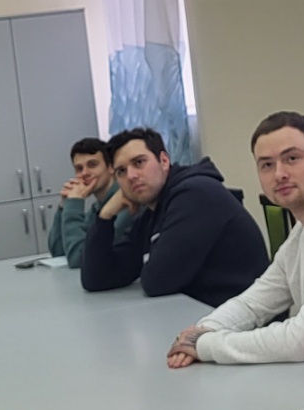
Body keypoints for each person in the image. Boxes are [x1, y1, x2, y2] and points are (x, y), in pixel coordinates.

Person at [167, 112, 304, 367]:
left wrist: (205, 345)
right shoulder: (302, 231)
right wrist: (203, 330)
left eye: (292, 158)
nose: (279, 174)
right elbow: (254, 303)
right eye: (267, 165)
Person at [80, 126, 269, 307]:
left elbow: (157, 281)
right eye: (121, 171)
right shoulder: (153, 209)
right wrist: (105, 216)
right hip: (202, 312)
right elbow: (97, 278)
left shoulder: (195, 194)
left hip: (242, 320)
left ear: (164, 161)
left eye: (139, 162)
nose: (131, 175)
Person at [44, 136, 131, 268]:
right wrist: (64, 206)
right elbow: (59, 251)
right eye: (79, 168)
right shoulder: (96, 209)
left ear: (111, 167)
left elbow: (79, 259)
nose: (85, 173)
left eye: (92, 165)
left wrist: (74, 204)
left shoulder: (124, 204)